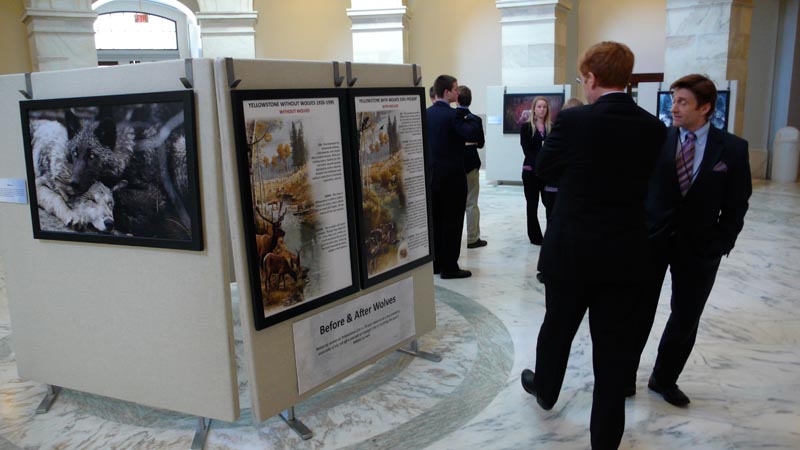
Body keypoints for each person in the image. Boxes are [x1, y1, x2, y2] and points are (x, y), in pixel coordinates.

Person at [520, 41, 666, 450]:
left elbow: (545, 167)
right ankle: (605, 442)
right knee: (612, 355)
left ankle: (546, 389)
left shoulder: (576, 121)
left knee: (557, 328)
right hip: (625, 256)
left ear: (592, 78)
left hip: (571, 253)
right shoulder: (653, 127)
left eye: (583, 78)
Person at [629, 74, 752, 407]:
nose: (674, 107)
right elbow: (637, 190)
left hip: (699, 249)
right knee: (637, 310)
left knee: (685, 315)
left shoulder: (733, 149)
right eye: (673, 100)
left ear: (706, 107)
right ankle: (624, 375)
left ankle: (664, 378)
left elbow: (737, 203)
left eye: (682, 101)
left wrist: (722, 242)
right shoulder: (657, 139)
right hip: (651, 241)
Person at [426, 75, 483, 279]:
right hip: (452, 179)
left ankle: (436, 263)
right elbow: (474, 134)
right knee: (452, 222)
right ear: (447, 92)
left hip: (432, 178)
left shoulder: (426, 114)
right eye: (456, 89)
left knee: (436, 221)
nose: (458, 92)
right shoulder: (454, 116)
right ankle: (450, 267)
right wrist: (465, 113)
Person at [457, 85, 487, 249]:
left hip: (455, 164)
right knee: (471, 203)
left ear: (456, 99)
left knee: (455, 204)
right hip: (471, 163)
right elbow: (481, 144)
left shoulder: (452, 118)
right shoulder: (475, 119)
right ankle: (473, 238)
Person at [519, 96, 550, 245]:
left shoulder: (551, 127)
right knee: (532, 205)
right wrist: (538, 167)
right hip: (531, 172)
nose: (542, 109)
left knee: (549, 203)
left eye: (544, 107)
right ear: (534, 109)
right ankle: (535, 237)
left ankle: (551, 234)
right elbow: (527, 150)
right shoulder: (526, 127)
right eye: (539, 107)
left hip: (547, 174)